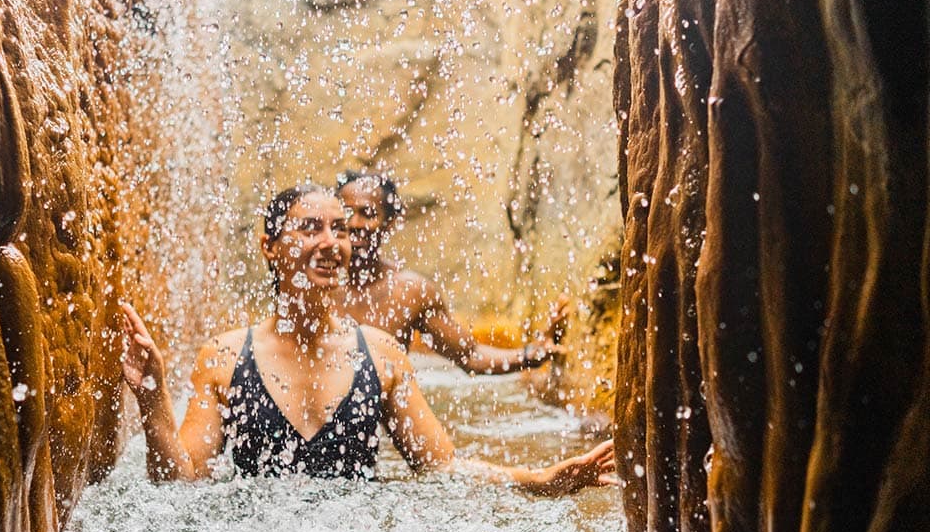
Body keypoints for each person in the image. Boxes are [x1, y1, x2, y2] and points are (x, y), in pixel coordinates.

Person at [121, 184, 615, 489]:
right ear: (270, 247)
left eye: (339, 230)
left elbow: (444, 471)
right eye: (310, 228)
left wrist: (541, 478)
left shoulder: (380, 354)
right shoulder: (225, 359)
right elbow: (179, 482)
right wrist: (153, 399)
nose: (332, 243)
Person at [334, 170, 568, 375]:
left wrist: (532, 354)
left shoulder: (409, 292)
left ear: (390, 222)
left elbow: (471, 356)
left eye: (368, 213)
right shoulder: (312, 285)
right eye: (346, 212)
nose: (354, 223)